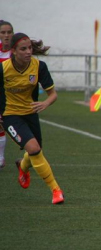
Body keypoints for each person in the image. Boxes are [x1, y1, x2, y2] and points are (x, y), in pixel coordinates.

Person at [0, 33, 64, 204]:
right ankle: (56, 190)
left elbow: (53, 94)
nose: (28, 52)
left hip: (31, 114)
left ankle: (22, 166)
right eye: (23, 49)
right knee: (34, 148)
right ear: (13, 51)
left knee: (35, 150)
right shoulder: (3, 69)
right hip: (10, 115)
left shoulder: (38, 66)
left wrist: (45, 104)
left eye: (29, 48)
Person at [0, 20, 14, 169]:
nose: (6, 35)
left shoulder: (16, 51)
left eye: (9, 32)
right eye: (3, 32)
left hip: (13, 94)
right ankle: (1, 158)